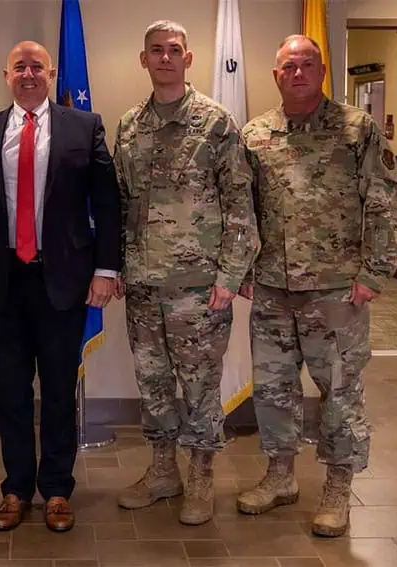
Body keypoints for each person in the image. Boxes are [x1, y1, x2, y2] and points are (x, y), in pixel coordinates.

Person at [236, 34, 397, 537]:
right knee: (273, 390)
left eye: (308, 63)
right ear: (276, 75)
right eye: (290, 65)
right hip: (271, 288)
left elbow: (383, 203)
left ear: (323, 70)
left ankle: (337, 487)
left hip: (336, 290)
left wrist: (374, 273)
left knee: (340, 393)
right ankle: (281, 476)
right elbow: (244, 211)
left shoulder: (357, 129)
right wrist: (242, 270)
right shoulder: (255, 133)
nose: (299, 72)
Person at [0, 41, 120, 533]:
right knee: (8, 392)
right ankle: (15, 489)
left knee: (56, 392)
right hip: (2, 281)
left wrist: (106, 271)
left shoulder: (83, 126)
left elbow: (108, 202)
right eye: (19, 67)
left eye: (37, 67)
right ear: (7, 74)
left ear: (50, 73)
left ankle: (56, 490)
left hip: (63, 280)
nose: (28, 74)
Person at [113, 20, 260, 526]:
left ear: (189, 59)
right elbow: (120, 202)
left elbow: (241, 203)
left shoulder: (216, 123)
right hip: (143, 284)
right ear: (144, 59)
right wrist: (115, 268)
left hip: (199, 288)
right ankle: (162, 471)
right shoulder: (131, 125)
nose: (166, 58)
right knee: (153, 383)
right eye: (157, 51)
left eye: (175, 50)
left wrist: (230, 274)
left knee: (198, 387)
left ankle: (200, 476)